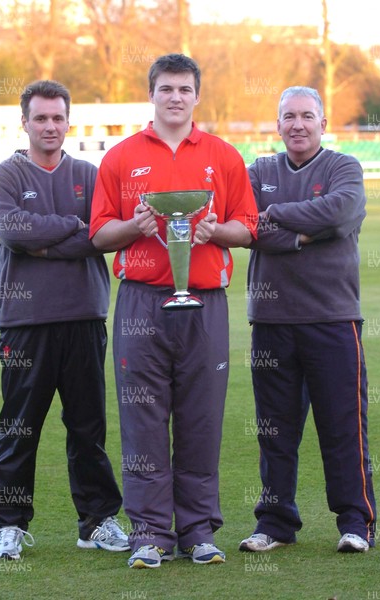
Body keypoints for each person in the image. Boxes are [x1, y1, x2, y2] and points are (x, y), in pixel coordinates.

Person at [89, 53, 258, 569]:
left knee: (201, 419)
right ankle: (149, 534)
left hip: (203, 303)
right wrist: (135, 226)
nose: (176, 97)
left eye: (185, 89)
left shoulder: (223, 156)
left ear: (197, 95)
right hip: (141, 302)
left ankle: (198, 531)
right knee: (142, 418)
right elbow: (98, 235)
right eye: (166, 88)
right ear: (152, 94)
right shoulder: (120, 157)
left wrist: (215, 232)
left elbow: (248, 228)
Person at [0, 80, 129, 560]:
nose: (50, 126)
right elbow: (13, 230)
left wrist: (45, 241)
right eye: (40, 118)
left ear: (69, 121)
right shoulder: (2, 177)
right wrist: (72, 225)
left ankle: (97, 521)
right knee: (19, 428)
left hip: (85, 318)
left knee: (88, 428)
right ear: (23, 122)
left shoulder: (91, 173)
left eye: (57, 118)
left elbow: (103, 236)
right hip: (26, 323)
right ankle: (8, 524)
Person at [239, 86, 376, 554]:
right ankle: (275, 523)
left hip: (333, 320)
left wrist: (276, 216)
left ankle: (356, 522)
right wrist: (299, 235)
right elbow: (246, 225)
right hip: (272, 321)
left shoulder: (344, 167)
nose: (298, 124)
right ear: (277, 125)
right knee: (274, 430)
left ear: (323, 123)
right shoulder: (258, 170)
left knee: (343, 428)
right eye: (289, 116)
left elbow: (340, 215)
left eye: (307, 116)